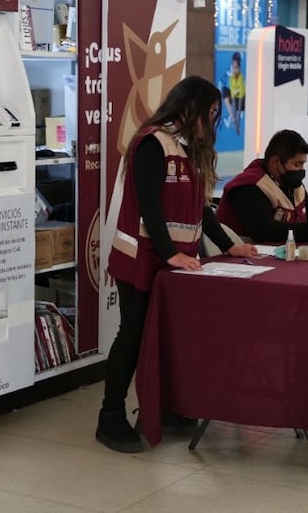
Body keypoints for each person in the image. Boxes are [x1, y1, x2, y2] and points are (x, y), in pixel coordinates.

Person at [98, 76, 259, 452]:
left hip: (175, 263)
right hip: (141, 259)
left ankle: (164, 408)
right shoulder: (151, 143)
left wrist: (227, 246)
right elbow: (150, 204)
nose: (213, 120)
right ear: (190, 108)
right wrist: (170, 253)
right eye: (211, 112)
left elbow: (201, 207)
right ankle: (110, 417)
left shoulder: (189, 149)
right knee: (133, 335)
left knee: (168, 337)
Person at [216, 129, 308, 243]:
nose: (302, 170)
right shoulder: (249, 186)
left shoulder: (291, 183)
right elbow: (265, 231)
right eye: (297, 164)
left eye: (303, 164)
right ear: (276, 163)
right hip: (237, 257)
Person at [228, 52, 245, 135]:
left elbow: (241, 90)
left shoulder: (241, 77)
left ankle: (238, 127)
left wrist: (237, 92)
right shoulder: (231, 78)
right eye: (234, 68)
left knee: (238, 114)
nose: (235, 70)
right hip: (234, 97)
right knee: (234, 111)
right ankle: (236, 125)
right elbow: (232, 89)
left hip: (241, 98)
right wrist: (234, 93)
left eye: (236, 68)